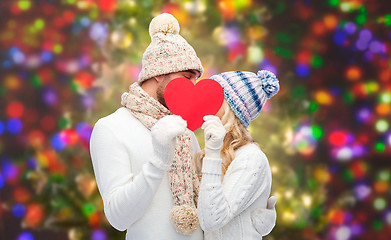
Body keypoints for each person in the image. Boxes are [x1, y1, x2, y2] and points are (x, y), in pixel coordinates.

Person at [89, 13, 205, 239]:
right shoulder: (111, 128)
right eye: (186, 76)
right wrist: (158, 161)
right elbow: (118, 218)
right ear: (158, 74)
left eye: (195, 80)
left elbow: (205, 203)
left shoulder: (185, 132)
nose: (192, 87)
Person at [196, 70, 279, 239]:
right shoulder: (216, 153)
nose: (206, 102)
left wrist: (212, 154)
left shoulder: (251, 159)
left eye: (214, 98)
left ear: (230, 109)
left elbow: (212, 220)